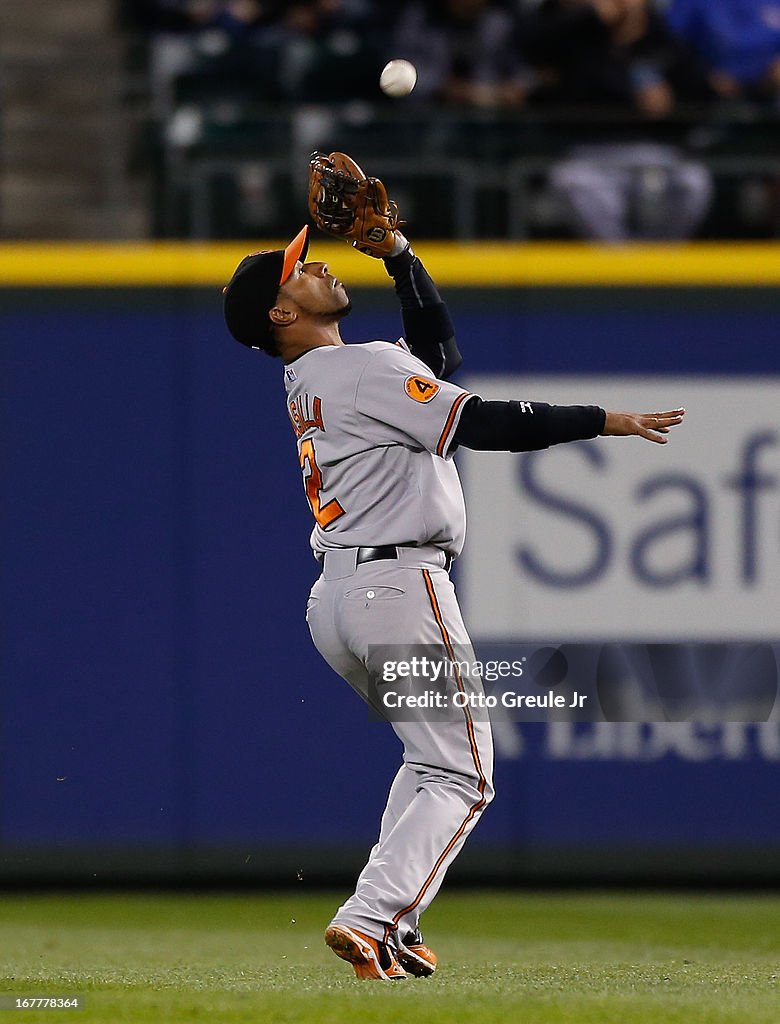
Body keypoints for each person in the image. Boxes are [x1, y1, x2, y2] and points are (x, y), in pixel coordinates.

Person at [222, 157, 685, 980]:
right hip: (397, 585)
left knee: (432, 762)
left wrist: (399, 254)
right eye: (303, 267)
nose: (322, 260)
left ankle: (387, 925)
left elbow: (439, 355)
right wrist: (603, 420)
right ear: (282, 310)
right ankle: (370, 916)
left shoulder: (324, 375)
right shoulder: (359, 370)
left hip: (343, 596)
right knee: (466, 774)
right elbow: (486, 419)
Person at [519, 0, 716, 240]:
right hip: (592, 153)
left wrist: (672, 103)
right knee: (571, 180)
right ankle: (621, 267)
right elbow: (528, 46)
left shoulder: (664, 42)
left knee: (692, 181)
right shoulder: (580, 39)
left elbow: (704, 100)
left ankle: (659, 267)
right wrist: (590, 16)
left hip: (657, 152)